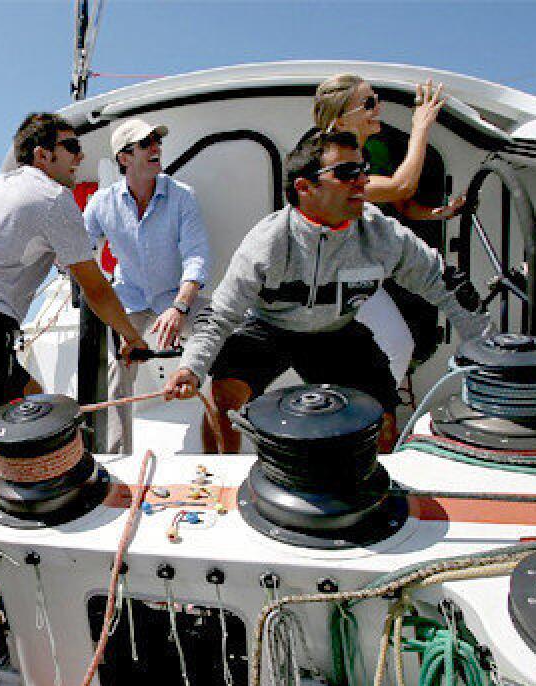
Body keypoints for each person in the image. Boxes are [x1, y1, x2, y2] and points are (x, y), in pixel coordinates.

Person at [163, 131, 488, 453]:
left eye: (364, 169)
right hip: (268, 328)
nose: (363, 181)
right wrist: (190, 368)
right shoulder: (268, 244)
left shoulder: (382, 236)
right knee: (223, 399)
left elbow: (446, 285)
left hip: (336, 332)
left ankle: (369, 489)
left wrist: (487, 358)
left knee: (382, 422)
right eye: (347, 173)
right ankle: (220, 477)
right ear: (305, 188)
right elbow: (221, 314)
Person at [0, 112, 148, 465]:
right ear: (42, 155)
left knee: (38, 404)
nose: (80, 157)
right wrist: (132, 338)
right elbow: (96, 289)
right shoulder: (52, 198)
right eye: (71, 147)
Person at [314, 74, 471, 386]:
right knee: (389, 350)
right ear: (343, 118)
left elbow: (399, 205)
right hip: (327, 279)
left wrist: (438, 213)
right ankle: (358, 417)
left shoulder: (368, 154)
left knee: (395, 349)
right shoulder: (327, 160)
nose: (378, 108)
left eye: (377, 100)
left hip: (357, 273)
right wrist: (421, 126)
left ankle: (363, 415)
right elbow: (401, 186)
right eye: (369, 103)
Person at [83, 118, 212, 453]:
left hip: (177, 296)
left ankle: (219, 441)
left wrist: (179, 306)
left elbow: (196, 256)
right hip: (131, 299)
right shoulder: (101, 203)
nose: (156, 148)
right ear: (124, 158)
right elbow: (79, 250)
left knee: (215, 335)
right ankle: (118, 457)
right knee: (118, 369)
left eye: (157, 141)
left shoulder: (183, 197)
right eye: (146, 143)